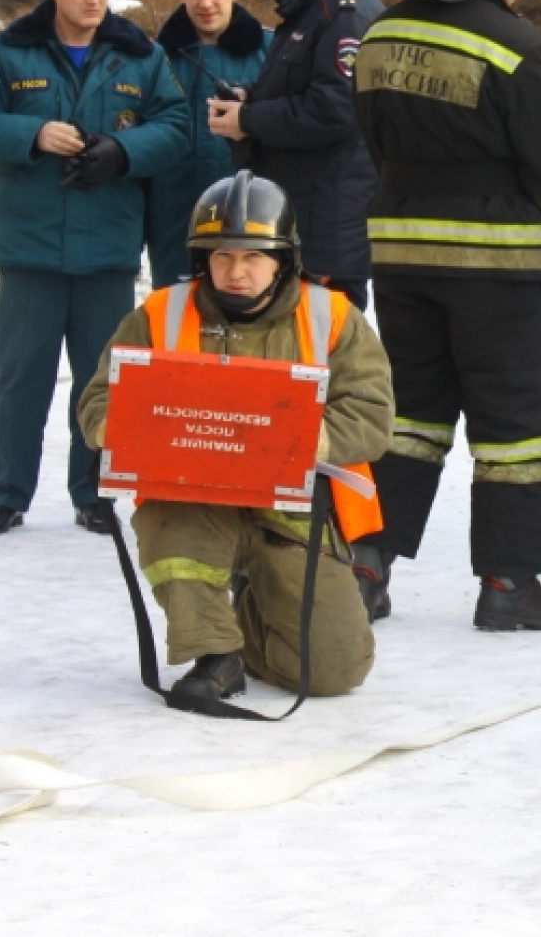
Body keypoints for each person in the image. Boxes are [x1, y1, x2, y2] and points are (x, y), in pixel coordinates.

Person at [353, 0, 541, 631]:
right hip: (498, 269)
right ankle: (510, 585)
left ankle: (365, 567)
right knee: (512, 424)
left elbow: (374, 141)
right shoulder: (517, 47)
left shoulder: (382, 33)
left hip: (399, 259)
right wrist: (539, 206)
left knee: (408, 416)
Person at [77, 172, 392, 706]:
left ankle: (249, 611)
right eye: (221, 256)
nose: (236, 272)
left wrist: (308, 441)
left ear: (283, 258)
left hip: (291, 508)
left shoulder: (332, 316)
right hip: (191, 499)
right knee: (174, 529)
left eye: (253, 257)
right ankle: (215, 656)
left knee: (335, 671)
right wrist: (120, 433)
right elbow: (98, 399)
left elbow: (372, 413)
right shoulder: (159, 313)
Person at [0, 0, 190, 537]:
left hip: (107, 249)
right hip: (31, 251)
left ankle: (96, 494)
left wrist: (122, 150)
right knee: (20, 381)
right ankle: (7, 495)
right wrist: (30, 134)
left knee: (104, 383)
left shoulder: (141, 55)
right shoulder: (6, 53)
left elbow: (175, 125)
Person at [207, 0, 382, 309]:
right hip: (306, 219)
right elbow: (306, 87)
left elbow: (335, 109)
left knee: (326, 355)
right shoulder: (311, 8)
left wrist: (248, 120)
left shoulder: (343, 13)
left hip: (329, 230)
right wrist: (252, 96)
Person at [146, 0, 271, 288]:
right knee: (178, 327)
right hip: (175, 221)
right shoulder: (155, 59)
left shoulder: (273, 51)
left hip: (253, 222)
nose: (206, 2)